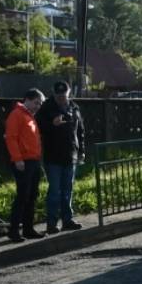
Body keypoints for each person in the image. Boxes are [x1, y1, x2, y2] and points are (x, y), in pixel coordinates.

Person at [36, 81, 85, 234]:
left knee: (67, 190)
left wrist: (82, 150)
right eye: (58, 96)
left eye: (64, 95)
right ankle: (51, 223)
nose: (61, 98)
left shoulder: (74, 107)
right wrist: (52, 124)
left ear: (69, 93)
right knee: (54, 191)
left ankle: (67, 220)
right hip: (53, 156)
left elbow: (80, 131)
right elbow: (38, 128)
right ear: (53, 93)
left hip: (71, 155)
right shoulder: (45, 108)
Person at [4, 88, 46, 243]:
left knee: (32, 195)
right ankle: (14, 230)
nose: (38, 106)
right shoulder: (17, 115)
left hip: (33, 161)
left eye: (40, 104)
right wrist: (17, 159)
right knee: (22, 196)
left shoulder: (29, 117)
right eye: (36, 102)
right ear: (27, 99)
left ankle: (28, 229)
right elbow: (11, 138)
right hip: (23, 161)